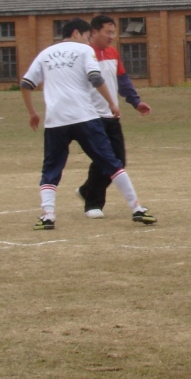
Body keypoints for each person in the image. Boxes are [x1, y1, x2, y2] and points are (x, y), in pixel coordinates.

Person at [20, 17, 156, 230]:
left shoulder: (45, 54)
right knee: (111, 162)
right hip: (85, 117)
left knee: (51, 169)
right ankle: (136, 208)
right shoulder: (85, 50)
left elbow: (25, 83)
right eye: (86, 35)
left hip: (55, 121)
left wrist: (32, 112)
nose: (87, 39)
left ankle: (48, 216)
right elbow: (96, 78)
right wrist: (112, 103)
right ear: (77, 33)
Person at [76, 14, 152, 219]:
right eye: (107, 32)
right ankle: (93, 204)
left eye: (113, 32)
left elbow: (122, 80)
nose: (112, 36)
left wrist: (136, 102)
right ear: (94, 32)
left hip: (111, 114)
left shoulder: (112, 53)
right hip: (90, 116)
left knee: (119, 160)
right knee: (102, 159)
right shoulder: (83, 54)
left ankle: (86, 190)